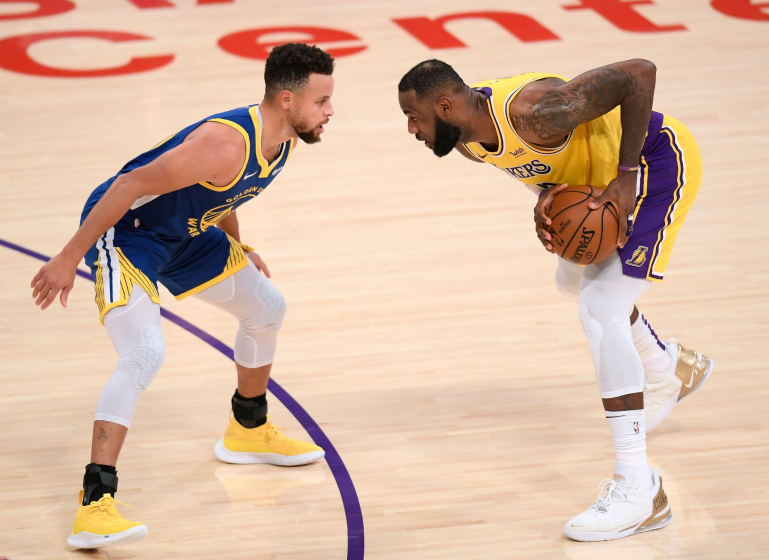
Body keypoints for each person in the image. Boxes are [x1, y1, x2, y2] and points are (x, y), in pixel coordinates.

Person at [30, 42, 335, 549]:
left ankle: (248, 429)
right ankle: (94, 504)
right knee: (145, 352)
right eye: (321, 100)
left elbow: (229, 194)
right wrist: (66, 258)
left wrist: (241, 249)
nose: (329, 111)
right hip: (127, 234)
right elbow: (128, 185)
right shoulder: (225, 143)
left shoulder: (284, 141)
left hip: (187, 235)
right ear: (287, 99)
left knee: (266, 307)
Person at [397, 59, 713, 542]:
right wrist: (544, 197)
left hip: (652, 164)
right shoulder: (465, 140)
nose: (412, 129)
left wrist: (627, 175)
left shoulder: (535, 112)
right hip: (596, 187)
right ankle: (667, 366)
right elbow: (537, 165)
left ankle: (638, 489)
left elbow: (639, 74)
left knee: (600, 307)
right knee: (572, 285)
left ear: (444, 105)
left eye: (414, 116)